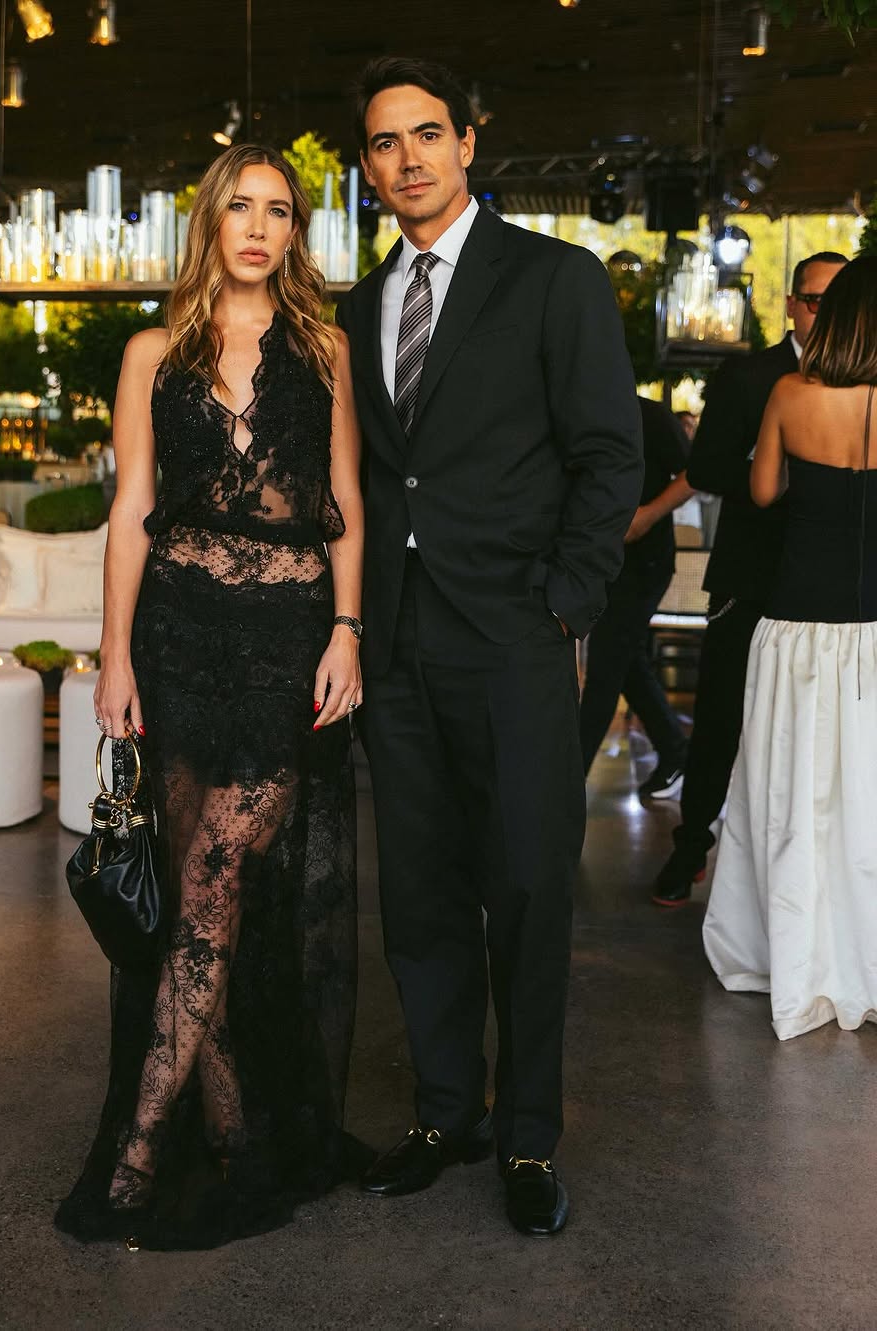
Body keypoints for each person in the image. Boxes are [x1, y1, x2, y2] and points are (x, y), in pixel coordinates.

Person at [337, 57, 642, 1235]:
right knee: (418, 893)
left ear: (468, 142)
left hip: (515, 634)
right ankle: (445, 1112)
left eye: (427, 133)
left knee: (525, 891)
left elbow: (608, 454)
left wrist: (567, 602)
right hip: (398, 641)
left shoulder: (555, 278)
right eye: (384, 142)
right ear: (367, 169)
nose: (407, 158)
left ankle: (526, 1136)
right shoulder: (361, 306)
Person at [54, 144, 366, 1250]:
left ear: (296, 231)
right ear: (210, 222)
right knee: (200, 895)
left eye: (279, 210)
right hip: (178, 637)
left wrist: (347, 631)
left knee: (219, 874)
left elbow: (345, 505)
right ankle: (235, 1133)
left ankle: (139, 1142)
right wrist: (114, 654)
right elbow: (133, 505)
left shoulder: (324, 348)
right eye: (241, 206)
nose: (260, 227)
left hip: (285, 641)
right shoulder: (153, 351)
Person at [702, 255, 877, 1040]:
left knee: (794, 793)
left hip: (798, 625)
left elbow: (763, 490)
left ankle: (797, 951)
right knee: (866, 797)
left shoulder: (790, 394)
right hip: (873, 629)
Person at [651, 251, 848, 906]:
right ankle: (691, 845)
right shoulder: (751, 374)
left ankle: (807, 876)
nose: (826, 314)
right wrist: (789, 480)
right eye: (816, 300)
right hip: (751, 574)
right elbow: (707, 467)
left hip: (833, 583)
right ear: (792, 304)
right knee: (721, 716)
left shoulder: (865, 379)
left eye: (840, 302)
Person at [579, 395, 695, 796]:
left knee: (605, 668)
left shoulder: (651, 415)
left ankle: (567, 783)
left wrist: (647, 516)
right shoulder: (579, 411)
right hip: (600, 561)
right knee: (624, 661)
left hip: (645, 562)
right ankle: (675, 751)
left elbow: (695, 474)